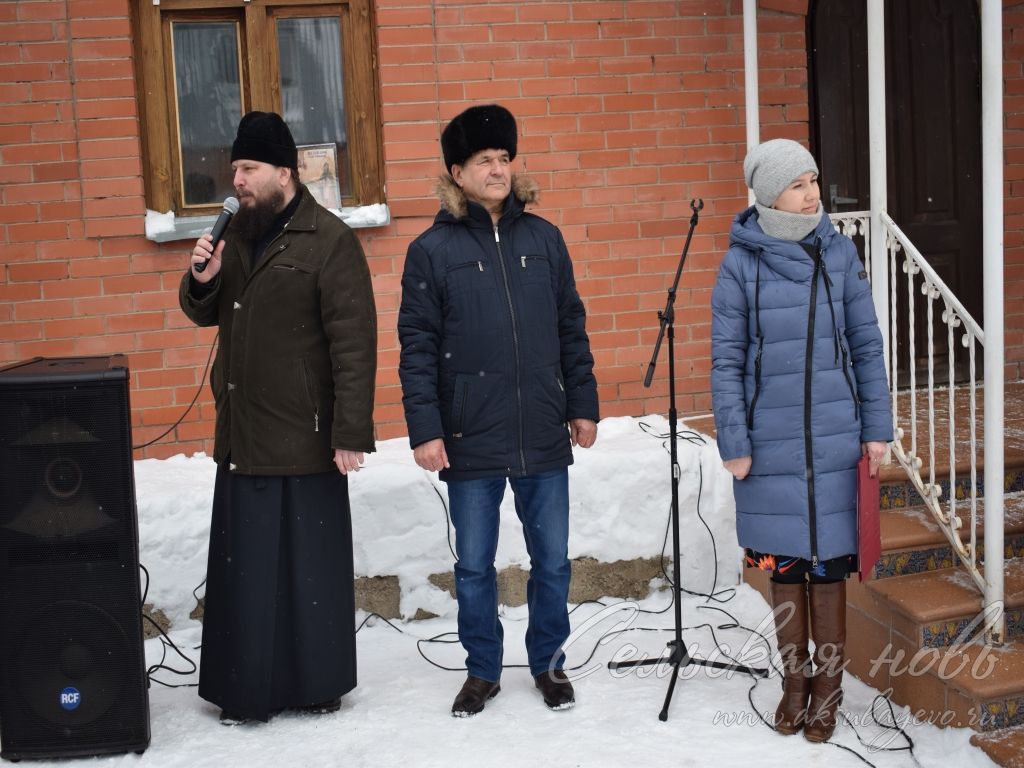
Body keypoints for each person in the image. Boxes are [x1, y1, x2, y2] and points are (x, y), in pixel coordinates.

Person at [398, 104, 600, 717]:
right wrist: (426, 429)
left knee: (554, 561)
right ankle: (482, 669)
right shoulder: (430, 250)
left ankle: (548, 663)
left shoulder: (544, 238)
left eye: (504, 158)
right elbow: (418, 347)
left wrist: (583, 404)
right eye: (484, 160)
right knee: (476, 568)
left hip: (540, 423)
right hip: (468, 433)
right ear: (455, 172)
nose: (497, 169)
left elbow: (571, 326)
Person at [179, 111, 377, 725]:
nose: (235, 179)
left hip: (308, 437)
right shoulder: (236, 235)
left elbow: (354, 344)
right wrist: (200, 279)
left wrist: (350, 434)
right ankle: (247, 691)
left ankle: (315, 685)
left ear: (283, 172)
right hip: (244, 433)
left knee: (306, 574)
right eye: (234, 167)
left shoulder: (330, 240)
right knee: (248, 577)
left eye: (248, 168)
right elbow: (203, 312)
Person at [710, 139, 892, 742]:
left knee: (829, 568)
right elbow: (727, 359)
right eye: (798, 184)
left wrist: (876, 430)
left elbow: (866, 345)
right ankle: (794, 687)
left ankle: (829, 693)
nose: (813, 193)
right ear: (769, 195)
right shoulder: (741, 263)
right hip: (769, 443)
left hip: (837, 440)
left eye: (815, 180)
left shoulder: (838, 253)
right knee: (785, 567)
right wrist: (733, 439)